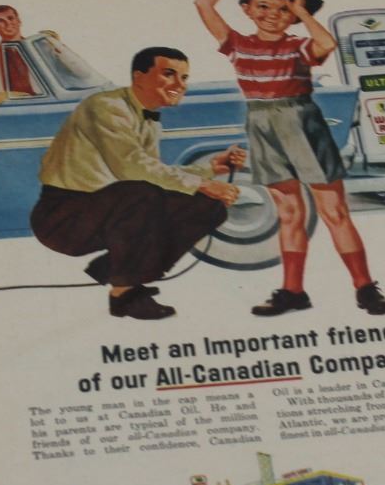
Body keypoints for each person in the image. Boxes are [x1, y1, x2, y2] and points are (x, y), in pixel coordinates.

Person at [194, 0, 385, 316]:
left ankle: (365, 289)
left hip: (302, 122)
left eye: (283, 9)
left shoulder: (299, 46)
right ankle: (293, 292)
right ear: (246, 9)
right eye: (262, 6)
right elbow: (203, 3)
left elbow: (327, 44)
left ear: (294, 15)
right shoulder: (237, 45)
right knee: (289, 213)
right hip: (262, 125)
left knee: (333, 211)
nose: (272, 15)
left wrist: (302, 10)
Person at [31, 48, 246, 320]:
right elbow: (133, 167)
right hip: (64, 218)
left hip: (105, 210)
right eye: (169, 74)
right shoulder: (106, 106)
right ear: (139, 77)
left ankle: (116, 268)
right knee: (142, 192)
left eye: (184, 77)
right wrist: (202, 183)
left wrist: (210, 168)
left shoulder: (148, 118)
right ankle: (123, 295)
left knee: (209, 206)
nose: (180, 85)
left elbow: (153, 172)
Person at [0, 5, 38, 96]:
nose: (8, 23)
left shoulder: (40, 48)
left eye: (11, 18)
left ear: (19, 21)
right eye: (0, 21)